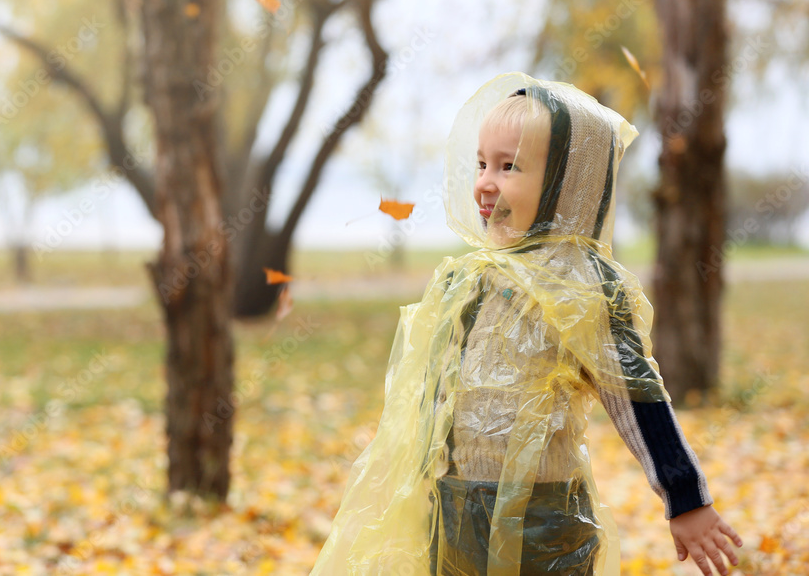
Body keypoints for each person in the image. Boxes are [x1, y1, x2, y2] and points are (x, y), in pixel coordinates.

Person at [309, 72, 743, 576]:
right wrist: (418, 480)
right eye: (480, 164)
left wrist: (685, 497)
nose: (484, 182)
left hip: (542, 515)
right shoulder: (472, 278)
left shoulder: (582, 286)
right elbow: (435, 392)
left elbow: (635, 394)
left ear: (568, 184)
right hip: (453, 505)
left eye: (509, 166)